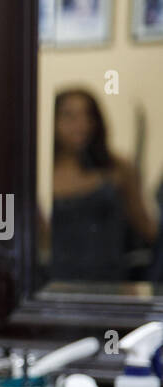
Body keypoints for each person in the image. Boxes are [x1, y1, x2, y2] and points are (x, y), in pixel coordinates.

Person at [42, 88, 155, 283]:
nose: (80, 125)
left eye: (87, 115)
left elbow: (145, 227)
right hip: (59, 283)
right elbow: (41, 238)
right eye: (69, 116)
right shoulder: (42, 171)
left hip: (111, 282)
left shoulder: (117, 168)